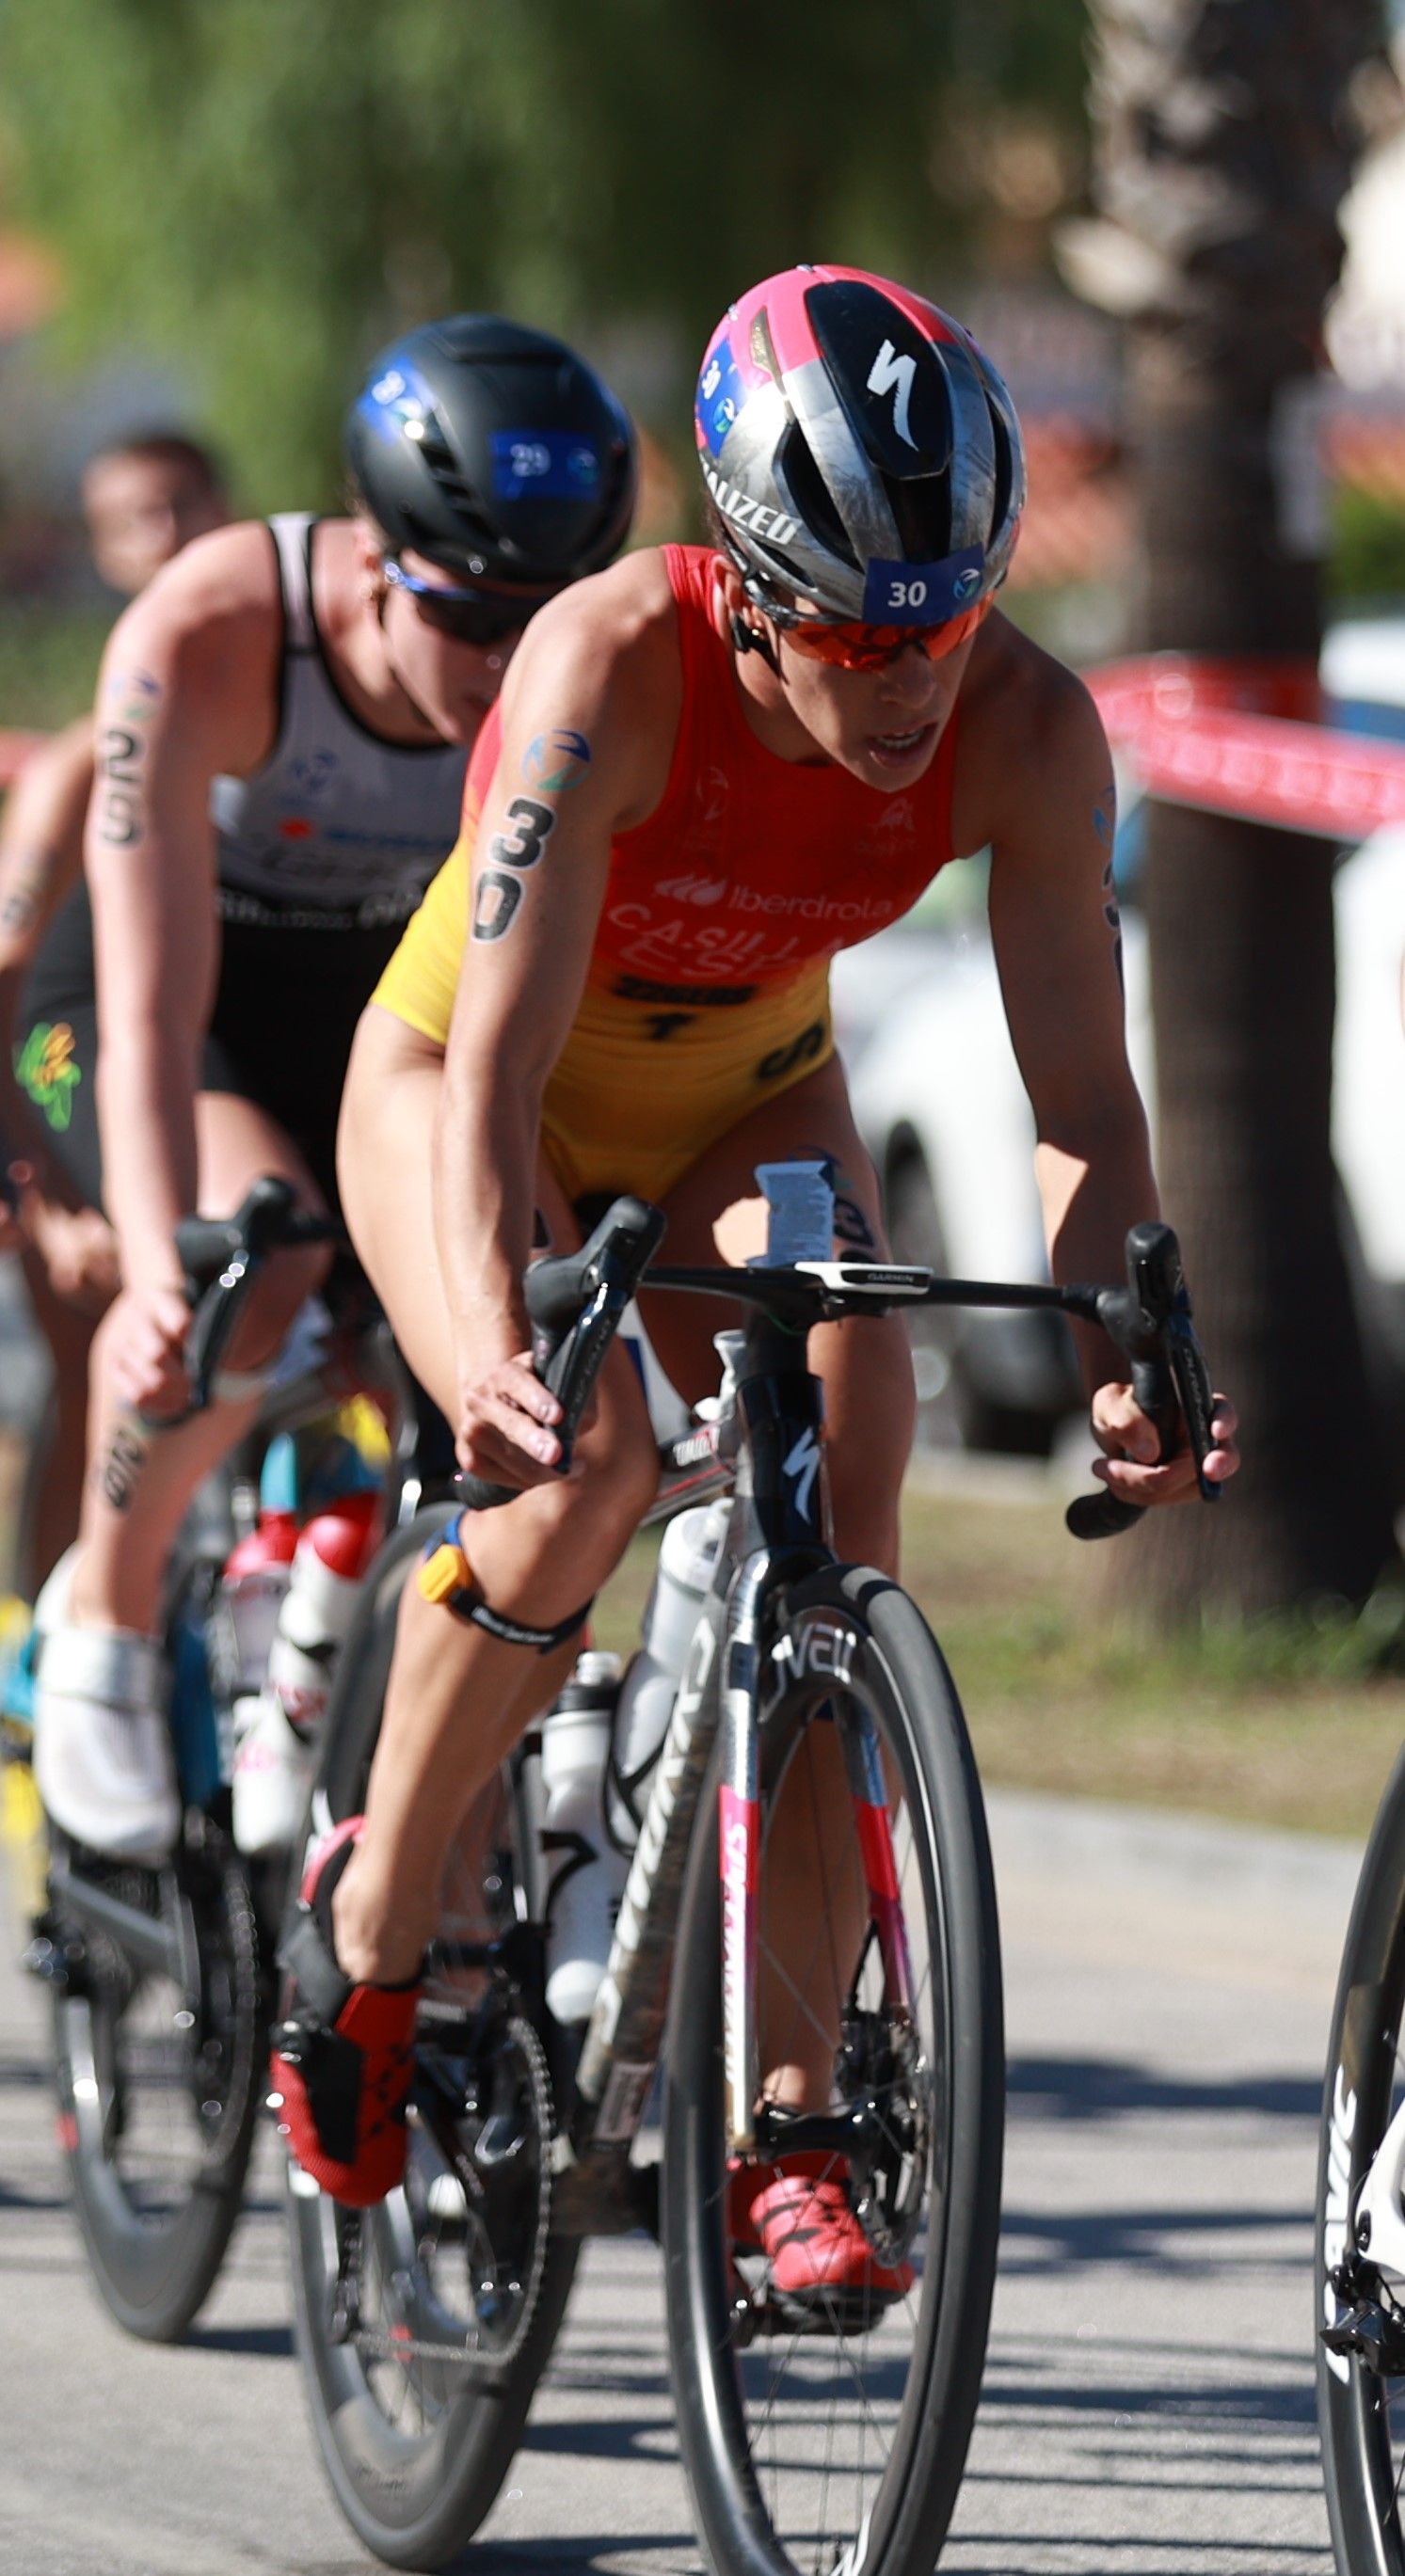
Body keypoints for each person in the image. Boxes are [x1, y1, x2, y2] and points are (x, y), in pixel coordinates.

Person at [278, 263, 1240, 2241]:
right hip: (473, 1080)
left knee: (839, 1504)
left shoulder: (1027, 731)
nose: (903, 685)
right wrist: (490, 1343)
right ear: (738, 579)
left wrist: (1122, 1349)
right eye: (844, 632)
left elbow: (1078, 1101)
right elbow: (499, 1058)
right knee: (575, 1476)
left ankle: (790, 2123)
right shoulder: (604, 663)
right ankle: (369, 1929)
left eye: (941, 626)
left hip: (743, 1096)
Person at [28, 314, 637, 1863]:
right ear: (376, 555)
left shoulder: (581, 677)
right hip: (155, 994)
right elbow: (155, 1014)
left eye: (541, 620)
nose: (511, 669)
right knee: (255, 1246)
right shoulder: (215, 630)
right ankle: (100, 1607)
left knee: (520, 1348)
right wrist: (162, 1257)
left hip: (371, 1011)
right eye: (472, 621)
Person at [0, 433, 232, 1597]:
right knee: (91, 1356)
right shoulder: (85, 764)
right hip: (69, 1070)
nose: (167, 537)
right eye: (134, 519)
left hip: (216, 1065)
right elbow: (8, 969)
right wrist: (33, 1201)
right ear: (101, 550)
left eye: (183, 507)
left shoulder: (278, 735)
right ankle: (41, 1666)